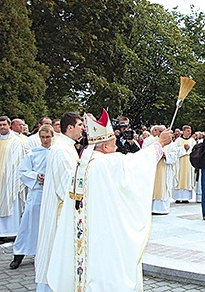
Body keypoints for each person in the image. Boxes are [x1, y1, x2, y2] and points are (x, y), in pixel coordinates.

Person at [45, 109, 172, 291]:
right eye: (113, 144)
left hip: (87, 231)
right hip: (104, 234)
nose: (116, 148)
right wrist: (159, 144)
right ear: (104, 147)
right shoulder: (106, 163)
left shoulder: (84, 162)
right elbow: (136, 164)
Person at [36, 112, 84, 291]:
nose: (83, 128)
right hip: (60, 210)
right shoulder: (62, 150)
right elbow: (67, 186)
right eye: (80, 125)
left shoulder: (67, 147)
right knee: (55, 253)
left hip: (62, 208)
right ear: (70, 127)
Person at [9, 125, 54, 269]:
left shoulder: (57, 152)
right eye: (43, 137)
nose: (45, 140)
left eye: (48, 137)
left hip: (52, 193)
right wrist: (36, 176)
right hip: (37, 193)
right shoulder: (33, 154)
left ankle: (48, 253)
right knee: (28, 223)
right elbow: (23, 171)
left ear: (53, 136)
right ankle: (19, 253)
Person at [0, 116, 26, 246]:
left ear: (9, 126)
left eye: (4, 125)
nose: (2, 127)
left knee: (9, 201)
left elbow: (17, 161)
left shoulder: (16, 141)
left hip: (9, 179)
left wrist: (9, 175)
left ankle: (10, 231)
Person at [150, 125, 177, 215]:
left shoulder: (171, 144)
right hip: (154, 169)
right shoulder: (152, 141)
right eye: (160, 131)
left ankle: (162, 208)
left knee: (163, 187)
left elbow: (174, 155)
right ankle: (151, 208)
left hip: (165, 169)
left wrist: (166, 155)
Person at [173, 125, 195, 203]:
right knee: (179, 176)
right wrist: (183, 148)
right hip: (180, 162)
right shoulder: (178, 140)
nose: (190, 132)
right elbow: (174, 150)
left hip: (188, 161)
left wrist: (189, 148)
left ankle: (186, 197)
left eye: (190, 131)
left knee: (188, 177)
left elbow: (195, 149)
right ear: (184, 131)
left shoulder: (192, 140)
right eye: (188, 131)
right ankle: (178, 197)